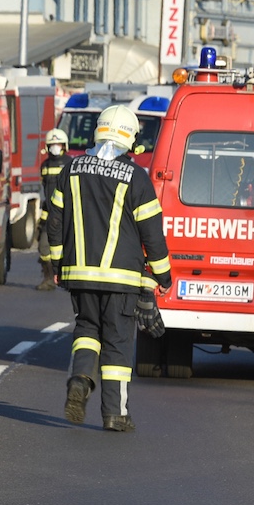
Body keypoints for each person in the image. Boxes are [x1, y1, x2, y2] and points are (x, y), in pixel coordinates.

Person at [44, 104, 172, 432]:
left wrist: (58, 262)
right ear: (130, 139)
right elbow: (152, 231)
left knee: (87, 329)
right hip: (122, 278)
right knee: (117, 341)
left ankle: (81, 379)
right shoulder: (136, 177)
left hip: (79, 273)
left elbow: (54, 221)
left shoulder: (69, 169)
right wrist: (162, 275)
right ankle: (115, 414)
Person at [35, 128, 70, 291]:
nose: (55, 147)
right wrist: (42, 219)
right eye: (52, 144)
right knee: (44, 248)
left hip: (67, 214)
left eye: (58, 144)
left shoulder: (70, 163)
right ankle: (49, 278)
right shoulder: (45, 166)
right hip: (50, 214)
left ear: (64, 145)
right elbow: (45, 193)